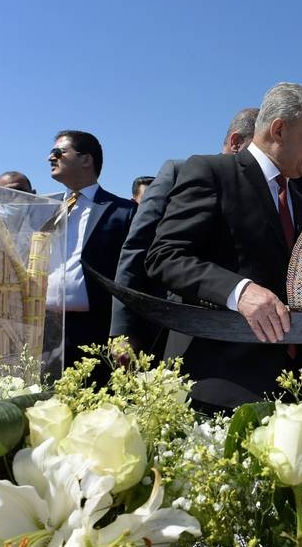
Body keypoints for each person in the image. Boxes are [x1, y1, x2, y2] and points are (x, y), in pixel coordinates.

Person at [145, 82, 302, 407]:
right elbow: (166, 257)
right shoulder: (213, 172)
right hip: (214, 376)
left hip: (286, 383)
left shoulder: (301, 205)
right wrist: (239, 291)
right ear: (279, 130)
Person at [110, 106, 274, 358]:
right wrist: (122, 331)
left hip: (231, 343)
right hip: (167, 327)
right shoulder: (179, 172)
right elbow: (137, 249)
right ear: (236, 143)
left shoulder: (270, 191)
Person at [44, 130, 136, 378]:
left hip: (95, 332)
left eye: (58, 152)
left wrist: (123, 333)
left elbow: (132, 277)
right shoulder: (45, 209)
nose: (50, 158)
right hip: (45, 331)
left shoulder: (123, 211)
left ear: (86, 159)